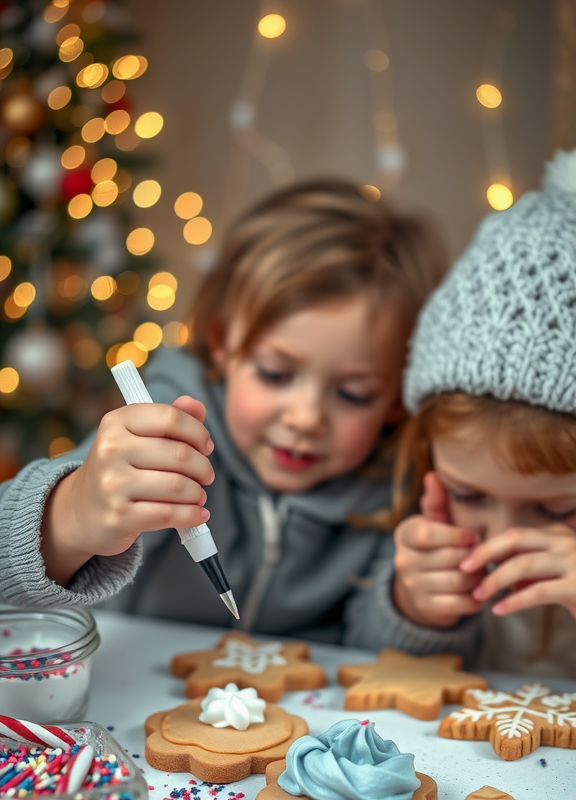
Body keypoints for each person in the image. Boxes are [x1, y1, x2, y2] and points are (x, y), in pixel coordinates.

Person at [0, 179, 446, 646]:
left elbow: (380, 659)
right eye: (276, 374)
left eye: (354, 394)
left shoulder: (396, 489)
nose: (306, 418)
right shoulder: (164, 430)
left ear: (397, 398)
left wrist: (415, 609)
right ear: (220, 344)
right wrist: (71, 516)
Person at [389, 149, 576, 678]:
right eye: (470, 495)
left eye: (559, 510)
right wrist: (419, 611)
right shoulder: (424, 525)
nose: (501, 537)